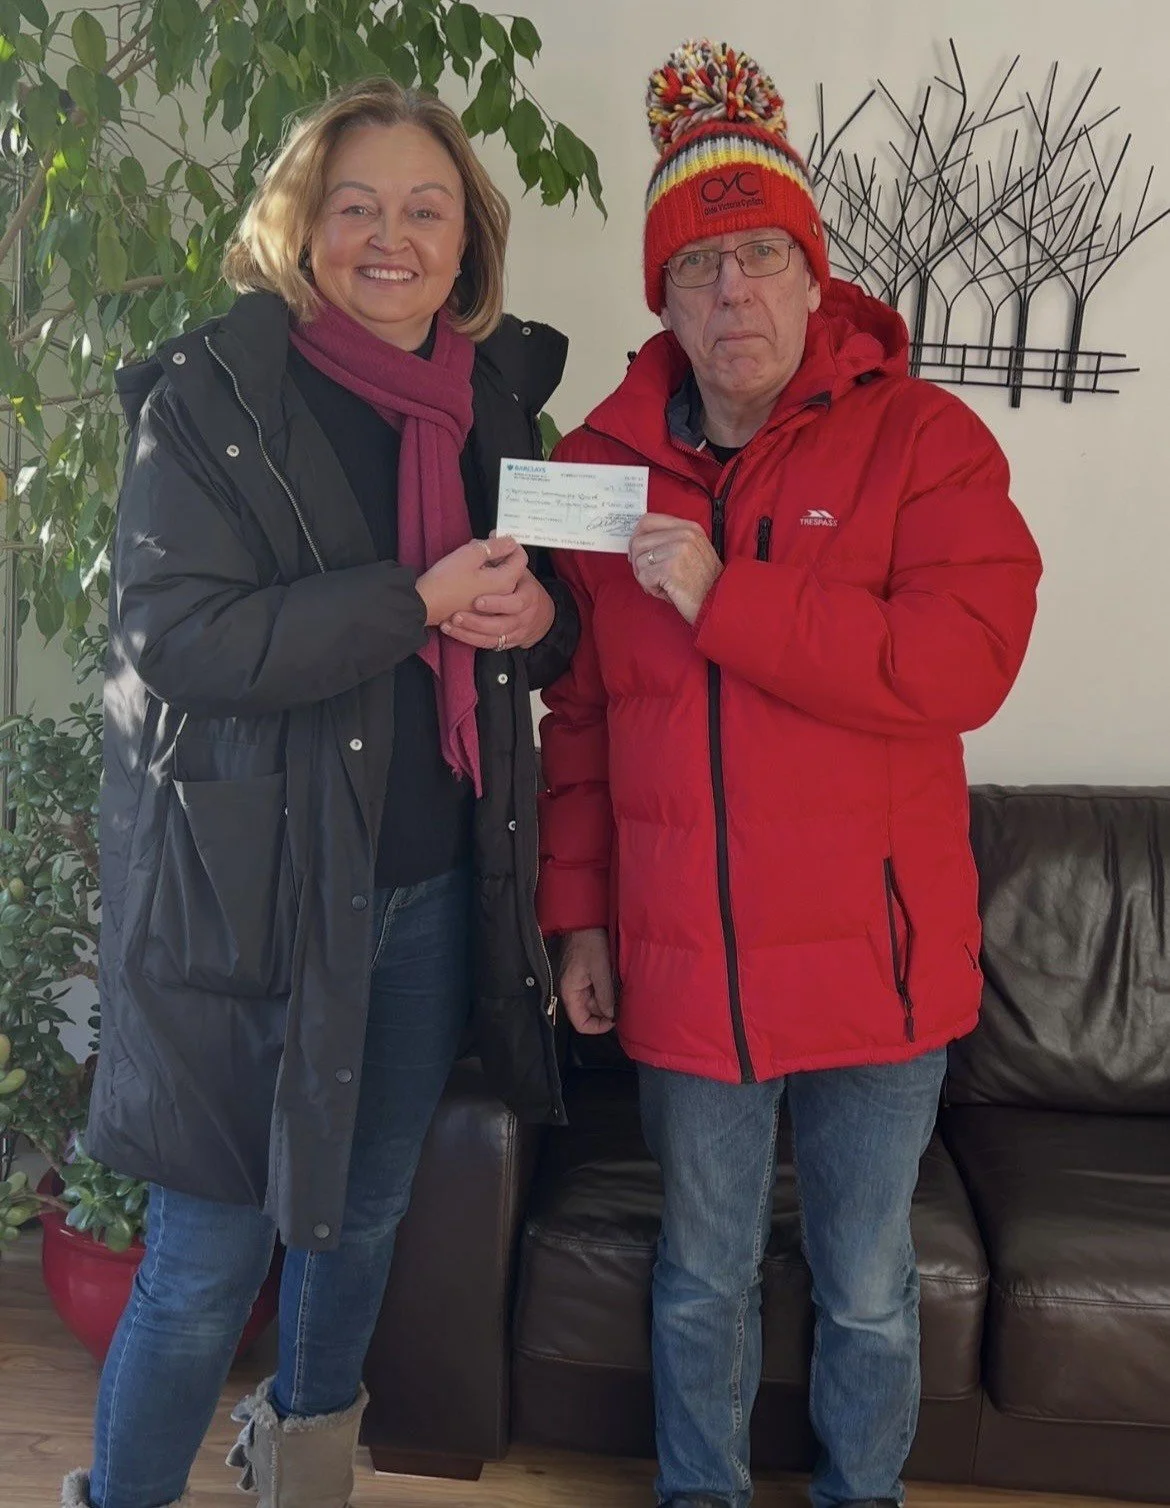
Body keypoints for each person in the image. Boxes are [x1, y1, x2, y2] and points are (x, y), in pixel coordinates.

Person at [537, 39, 1041, 1508]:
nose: (732, 295)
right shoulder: (598, 468)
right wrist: (576, 915)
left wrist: (723, 597)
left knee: (868, 1285)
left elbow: (959, 665)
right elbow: (573, 719)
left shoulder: (926, 443)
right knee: (697, 1275)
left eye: (759, 256)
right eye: (698, 269)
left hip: (877, 969)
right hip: (688, 964)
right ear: (663, 299)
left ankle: (856, 1496)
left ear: (813, 277)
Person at [65, 76, 575, 1508]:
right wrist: (408, 600)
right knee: (206, 1259)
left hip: (428, 895)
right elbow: (178, 640)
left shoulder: (499, 399)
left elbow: (559, 620)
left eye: (425, 208)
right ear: (301, 227)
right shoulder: (209, 399)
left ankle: (300, 1477)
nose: (390, 237)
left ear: (466, 237)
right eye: (354, 206)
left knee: (361, 1224)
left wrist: (534, 623)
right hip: (250, 904)